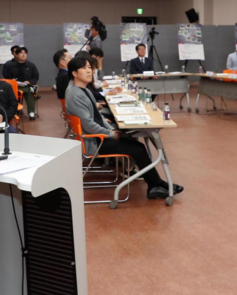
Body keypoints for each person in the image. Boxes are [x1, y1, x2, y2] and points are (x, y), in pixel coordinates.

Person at [64, 56, 182, 199]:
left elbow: (97, 115)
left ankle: (156, 183)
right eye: (84, 68)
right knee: (138, 148)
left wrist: (109, 128)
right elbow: (88, 124)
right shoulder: (75, 94)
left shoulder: (83, 90)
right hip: (95, 142)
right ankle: (155, 185)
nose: (89, 71)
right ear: (74, 73)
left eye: (89, 67)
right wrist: (110, 133)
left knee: (131, 137)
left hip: (98, 137)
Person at [2, 46, 40, 121]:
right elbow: (7, 77)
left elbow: (35, 77)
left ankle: (31, 112)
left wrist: (29, 81)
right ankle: (12, 111)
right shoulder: (11, 65)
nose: (23, 55)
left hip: (27, 86)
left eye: (25, 53)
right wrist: (12, 80)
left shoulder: (31, 65)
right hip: (14, 86)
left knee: (30, 90)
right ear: (16, 55)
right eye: (21, 53)